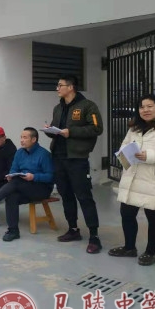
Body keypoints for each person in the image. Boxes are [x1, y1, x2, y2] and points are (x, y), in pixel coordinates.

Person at [109, 94, 155, 266]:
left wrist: (150, 156)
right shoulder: (134, 128)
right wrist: (125, 154)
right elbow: (124, 145)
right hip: (132, 178)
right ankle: (129, 248)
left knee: (153, 216)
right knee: (127, 214)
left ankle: (151, 252)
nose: (145, 110)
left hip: (153, 180)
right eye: (141, 107)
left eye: (149, 106)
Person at [46, 75, 104, 254]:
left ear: (70, 87)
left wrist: (70, 132)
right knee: (66, 195)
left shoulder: (88, 106)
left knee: (84, 196)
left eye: (60, 85)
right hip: (58, 157)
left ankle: (94, 236)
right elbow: (57, 130)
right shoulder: (58, 108)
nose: (57, 88)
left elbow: (96, 128)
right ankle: (73, 229)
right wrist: (49, 130)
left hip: (77, 159)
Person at [0, 128, 54, 242]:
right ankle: (13, 231)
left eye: (25, 137)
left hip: (41, 188)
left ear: (34, 139)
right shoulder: (20, 152)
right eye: (21, 137)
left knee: (16, 182)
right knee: (12, 196)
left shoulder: (44, 154)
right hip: (23, 186)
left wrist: (34, 177)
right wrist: (10, 175)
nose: (21, 140)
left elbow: (51, 176)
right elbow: (13, 169)